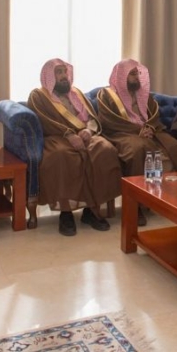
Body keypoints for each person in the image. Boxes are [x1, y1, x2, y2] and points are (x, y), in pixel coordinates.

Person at [27, 58, 122, 236]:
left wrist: (88, 130)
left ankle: (91, 211)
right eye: (59, 72)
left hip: (85, 135)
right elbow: (44, 121)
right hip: (57, 137)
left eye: (65, 72)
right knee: (61, 156)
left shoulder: (76, 93)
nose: (64, 76)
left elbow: (92, 117)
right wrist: (68, 134)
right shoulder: (38, 96)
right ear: (49, 76)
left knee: (105, 150)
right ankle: (66, 214)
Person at [97, 59, 177, 225]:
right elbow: (109, 120)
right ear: (122, 76)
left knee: (175, 147)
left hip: (149, 131)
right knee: (137, 150)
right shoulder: (106, 95)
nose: (136, 77)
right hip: (122, 133)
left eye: (137, 73)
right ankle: (136, 205)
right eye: (132, 74)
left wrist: (150, 128)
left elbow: (154, 114)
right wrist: (137, 130)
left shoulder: (143, 95)